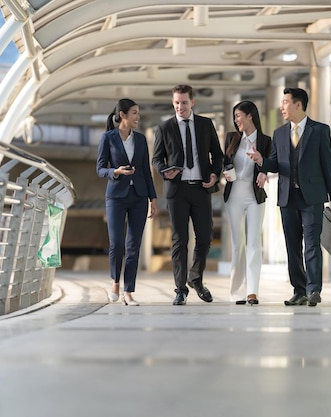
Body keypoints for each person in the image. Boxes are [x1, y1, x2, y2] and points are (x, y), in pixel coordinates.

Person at [247, 87, 331, 307]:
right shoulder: (279, 133)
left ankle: (313, 290)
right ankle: (299, 290)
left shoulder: (320, 130)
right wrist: (261, 161)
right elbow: (274, 163)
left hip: (312, 197)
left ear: (298, 105)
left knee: (311, 244)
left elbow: (328, 165)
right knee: (292, 246)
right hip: (287, 198)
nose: (282, 107)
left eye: (285, 102)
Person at [152, 84, 223, 305]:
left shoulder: (205, 124)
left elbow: (217, 156)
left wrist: (213, 175)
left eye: (183, 102)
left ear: (192, 102)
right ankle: (180, 289)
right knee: (179, 240)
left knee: (204, 237)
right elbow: (156, 159)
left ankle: (196, 278)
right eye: (176, 103)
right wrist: (166, 171)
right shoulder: (164, 128)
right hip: (177, 190)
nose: (180, 107)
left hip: (201, 188)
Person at [97, 98, 159, 306]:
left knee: (134, 246)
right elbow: (100, 169)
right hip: (115, 196)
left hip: (139, 197)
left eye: (138, 113)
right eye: (134, 113)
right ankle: (115, 282)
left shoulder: (141, 140)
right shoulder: (108, 138)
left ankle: (128, 291)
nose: (137, 117)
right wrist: (115, 171)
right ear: (122, 115)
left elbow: (146, 172)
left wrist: (153, 198)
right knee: (117, 244)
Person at [222, 101, 271, 305]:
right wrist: (225, 172)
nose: (236, 120)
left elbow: (270, 162)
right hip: (234, 195)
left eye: (239, 115)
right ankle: (237, 291)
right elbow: (223, 161)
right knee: (238, 244)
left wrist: (264, 170)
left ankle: (252, 292)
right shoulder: (232, 138)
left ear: (250, 116)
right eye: (235, 116)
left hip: (255, 196)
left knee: (253, 243)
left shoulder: (266, 141)